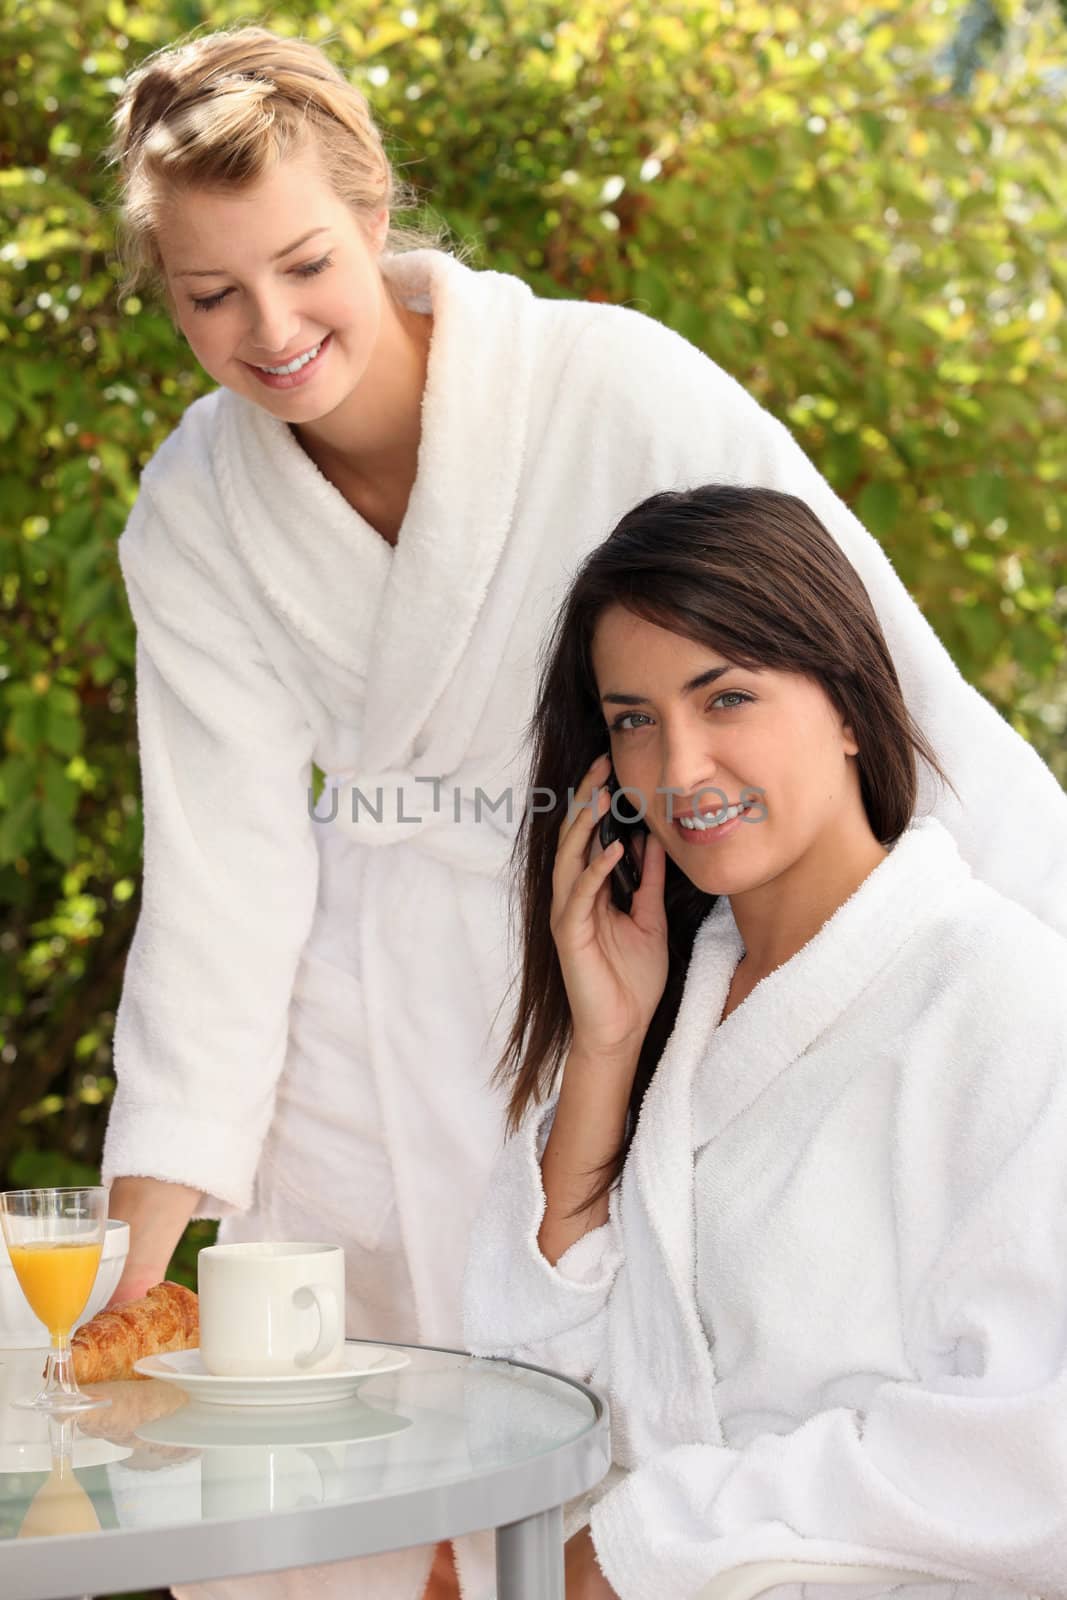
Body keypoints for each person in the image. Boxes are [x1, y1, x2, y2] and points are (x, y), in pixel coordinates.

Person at [100, 22, 1067, 1600]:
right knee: (330, 1500)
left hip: (591, 954)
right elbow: (220, 883)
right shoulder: (195, 508)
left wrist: (1025, 935)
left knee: (601, 1421)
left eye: (304, 264)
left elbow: (855, 658)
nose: (269, 328)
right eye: (209, 296)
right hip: (353, 1030)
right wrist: (134, 1260)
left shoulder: (606, 382)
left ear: (372, 211)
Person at [463, 484, 1067, 1600]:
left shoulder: (1008, 1002)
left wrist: (647, 1546)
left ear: (846, 703)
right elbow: (522, 1386)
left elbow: (1034, 1452)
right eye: (633, 719)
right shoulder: (672, 1006)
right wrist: (601, 1051)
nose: (679, 769)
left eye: (725, 696)